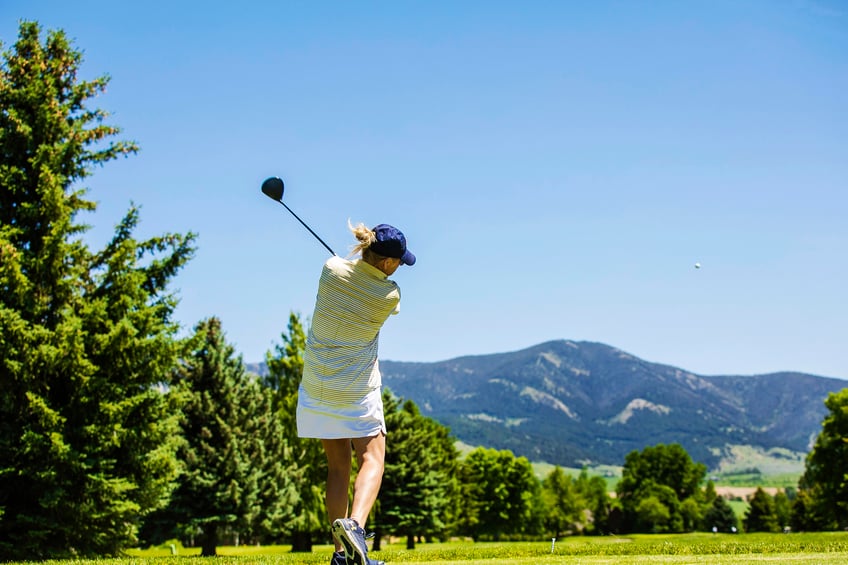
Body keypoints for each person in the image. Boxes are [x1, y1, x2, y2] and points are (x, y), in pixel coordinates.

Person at [296, 222, 416, 565]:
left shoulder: (330, 269)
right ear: (389, 263)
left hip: (317, 387)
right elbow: (371, 286)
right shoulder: (390, 295)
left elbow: (343, 270)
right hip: (356, 389)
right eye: (399, 263)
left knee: (337, 469)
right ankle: (356, 531)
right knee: (373, 457)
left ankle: (340, 555)